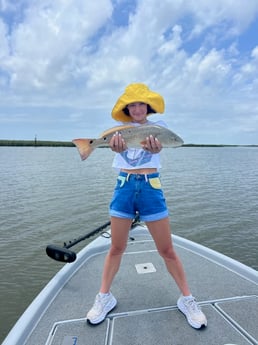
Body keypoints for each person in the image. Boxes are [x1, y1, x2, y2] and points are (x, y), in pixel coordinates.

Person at [86, 83, 207, 329]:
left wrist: (158, 146)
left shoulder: (158, 128)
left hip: (151, 186)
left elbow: (162, 145)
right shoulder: (119, 131)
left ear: (148, 107)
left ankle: (187, 299)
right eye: (133, 104)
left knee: (167, 250)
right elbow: (117, 148)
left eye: (142, 103)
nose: (138, 108)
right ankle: (104, 298)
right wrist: (110, 145)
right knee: (116, 247)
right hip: (124, 185)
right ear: (127, 108)